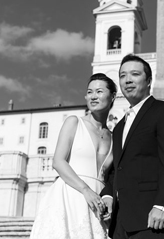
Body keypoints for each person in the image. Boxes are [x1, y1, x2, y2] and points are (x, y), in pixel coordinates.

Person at [100, 54, 164, 239]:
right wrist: (108, 195)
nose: (127, 80)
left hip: (154, 219)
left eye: (134, 74)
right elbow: (117, 169)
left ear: (148, 80)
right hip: (121, 224)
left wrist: (163, 205)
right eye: (122, 75)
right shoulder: (119, 127)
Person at [30, 73, 117, 239]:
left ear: (112, 96)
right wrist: (86, 190)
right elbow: (58, 161)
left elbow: (112, 175)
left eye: (99, 91)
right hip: (70, 194)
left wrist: (108, 199)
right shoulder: (74, 122)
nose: (93, 96)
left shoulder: (114, 136)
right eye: (89, 92)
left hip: (99, 203)